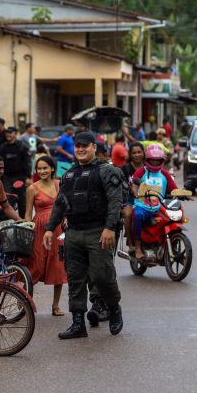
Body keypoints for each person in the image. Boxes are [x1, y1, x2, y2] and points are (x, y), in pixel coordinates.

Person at [43, 131, 125, 339]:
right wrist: (50, 228)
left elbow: (116, 201)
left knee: (102, 275)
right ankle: (78, 323)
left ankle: (113, 308)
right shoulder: (69, 174)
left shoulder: (107, 171)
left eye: (85, 146)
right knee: (75, 279)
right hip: (74, 233)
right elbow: (60, 204)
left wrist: (109, 228)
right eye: (77, 146)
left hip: (98, 232)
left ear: (94, 147)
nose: (80, 149)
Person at [23, 156, 67, 316]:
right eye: (39, 168)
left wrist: (66, 220)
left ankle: (55, 306)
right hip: (39, 230)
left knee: (58, 266)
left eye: (45, 168)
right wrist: (27, 232)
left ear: (52, 169)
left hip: (57, 230)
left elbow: (64, 207)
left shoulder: (59, 184)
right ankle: (25, 303)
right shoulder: (32, 188)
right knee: (36, 266)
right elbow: (28, 213)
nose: (42, 171)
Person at [131, 143, 178, 260]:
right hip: (142, 206)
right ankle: (137, 246)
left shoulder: (165, 174)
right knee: (137, 215)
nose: (155, 163)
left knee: (173, 219)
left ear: (162, 160)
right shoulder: (141, 172)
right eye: (152, 160)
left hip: (159, 207)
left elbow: (174, 189)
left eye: (158, 160)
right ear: (147, 159)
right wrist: (136, 192)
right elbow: (133, 185)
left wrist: (183, 194)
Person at [0, 127, 32, 218]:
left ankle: (24, 223)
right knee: (8, 201)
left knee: (23, 202)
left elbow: (28, 162)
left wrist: (28, 177)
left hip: (20, 177)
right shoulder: (2, 148)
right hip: (7, 178)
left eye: (10, 132)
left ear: (16, 133)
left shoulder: (22, 146)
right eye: (7, 132)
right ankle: (9, 223)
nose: (8, 134)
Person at [121, 142, 145, 252]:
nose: (137, 155)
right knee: (128, 214)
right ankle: (131, 244)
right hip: (129, 199)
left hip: (148, 199)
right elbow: (121, 185)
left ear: (144, 153)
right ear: (130, 155)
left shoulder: (149, 167)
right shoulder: (125, 168)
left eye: (139, 152)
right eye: (134, 153)